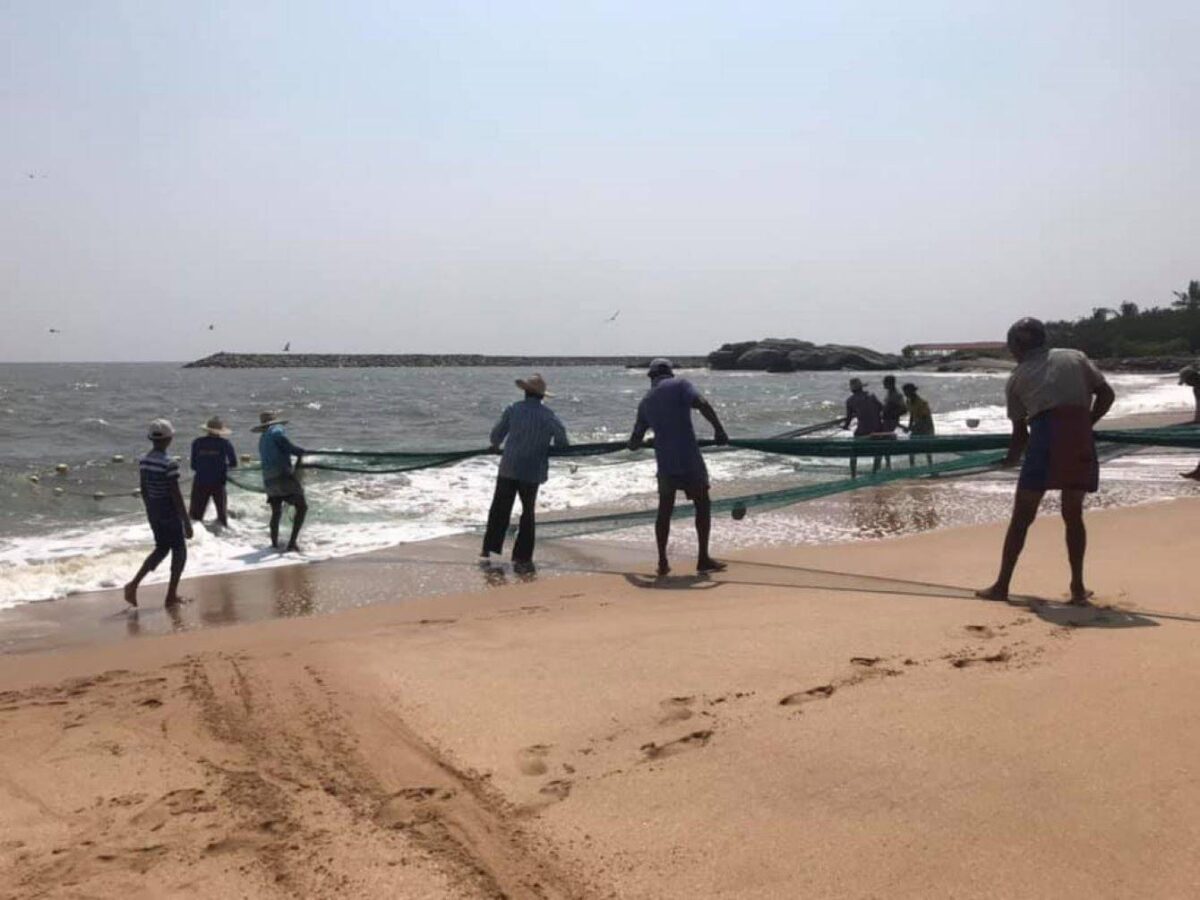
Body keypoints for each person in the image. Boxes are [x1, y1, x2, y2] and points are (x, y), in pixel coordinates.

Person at [976, 318, 1115, 606]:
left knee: (1022, 518)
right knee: (1073, 515)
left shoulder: (1016, 378)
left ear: (1016, 346)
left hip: (1044, 438)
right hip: (1078, 438)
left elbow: (1019, 434)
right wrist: (1086, 424)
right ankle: (1077, 588)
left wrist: (1009, 460)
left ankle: (1002, 585)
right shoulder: (1074, 356)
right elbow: (1106, 395)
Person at [628, 358, 729, 577]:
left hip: (666, 464)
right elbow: (702, 403)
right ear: (670, 373)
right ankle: (703, 558)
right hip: (689, 458)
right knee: (702, 505)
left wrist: (650, 440)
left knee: (664, 511)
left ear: (651, 377)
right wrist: (719, 431)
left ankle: (663, 561)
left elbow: (633, 444)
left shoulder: (645, 402)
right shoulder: (681, 385)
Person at [480, 374, 569, 571]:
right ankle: (522, 557)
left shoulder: (513, 409)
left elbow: (496, 435)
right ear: (541, 396)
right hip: (532, 470)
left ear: (525, 392)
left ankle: (488, 550)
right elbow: (562, 441)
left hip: (509, 467)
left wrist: (495, 445)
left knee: (499, 510)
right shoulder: (548, 415)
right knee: (527, 513)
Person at [124, 419, 192, 607]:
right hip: (169, 510)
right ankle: (171, 595)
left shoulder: (145, 461)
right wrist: (186, 521)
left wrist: (150, 511)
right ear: (169, 439)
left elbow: (144, 489)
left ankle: (133, 584)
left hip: (154, 509)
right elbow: (175, 494)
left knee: (161, 548)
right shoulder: (169, 463)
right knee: (179, 551)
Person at [252, 411, 307, 552]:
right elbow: (284, 443)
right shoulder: (276, 430)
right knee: (302, 507)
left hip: (269, 480)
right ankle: (292, 543)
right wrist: (299, 452)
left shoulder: (262, 439)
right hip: (282, 476)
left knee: (276, 512)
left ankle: (274, 544)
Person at [190, 416, 238, 526]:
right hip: (218, 482)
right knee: (222, 516)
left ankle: (195, 538)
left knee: (195, 516)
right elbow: (233, 463)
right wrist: (221, 466)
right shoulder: (225, 443)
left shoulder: (197, 443)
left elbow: (193, 465)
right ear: (220, 431)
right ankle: (223, 537)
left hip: (200, 482)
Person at [841, 377, 885, 478]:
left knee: (854, 451)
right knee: (878, 451)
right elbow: (881, 408)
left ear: (852, 389)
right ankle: (875, 471)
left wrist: (845, 427)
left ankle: (853, 474)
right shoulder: (872, 396)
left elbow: (848, 419)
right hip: (877, 428)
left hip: (862, 430)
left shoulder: (850, 401)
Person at [901, 383, 935, 468]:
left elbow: (924, 418)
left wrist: (912, 427)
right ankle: (912, 467)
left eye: (906, 392)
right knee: (911, 448)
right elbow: (912, 415)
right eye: (904, 392)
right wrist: (909, 426)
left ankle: (931, 468)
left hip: (926, 428)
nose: (905, 394)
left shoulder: (922, 403)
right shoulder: (908, 401)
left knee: (928, 450)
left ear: (912, 391)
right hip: (917, 427)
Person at [1178, 367, 1200, 480]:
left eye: (1186, 381)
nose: (1186, 384)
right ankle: (1199, 471)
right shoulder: (1196, 389)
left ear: (1192, 377)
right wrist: (1196, 421)